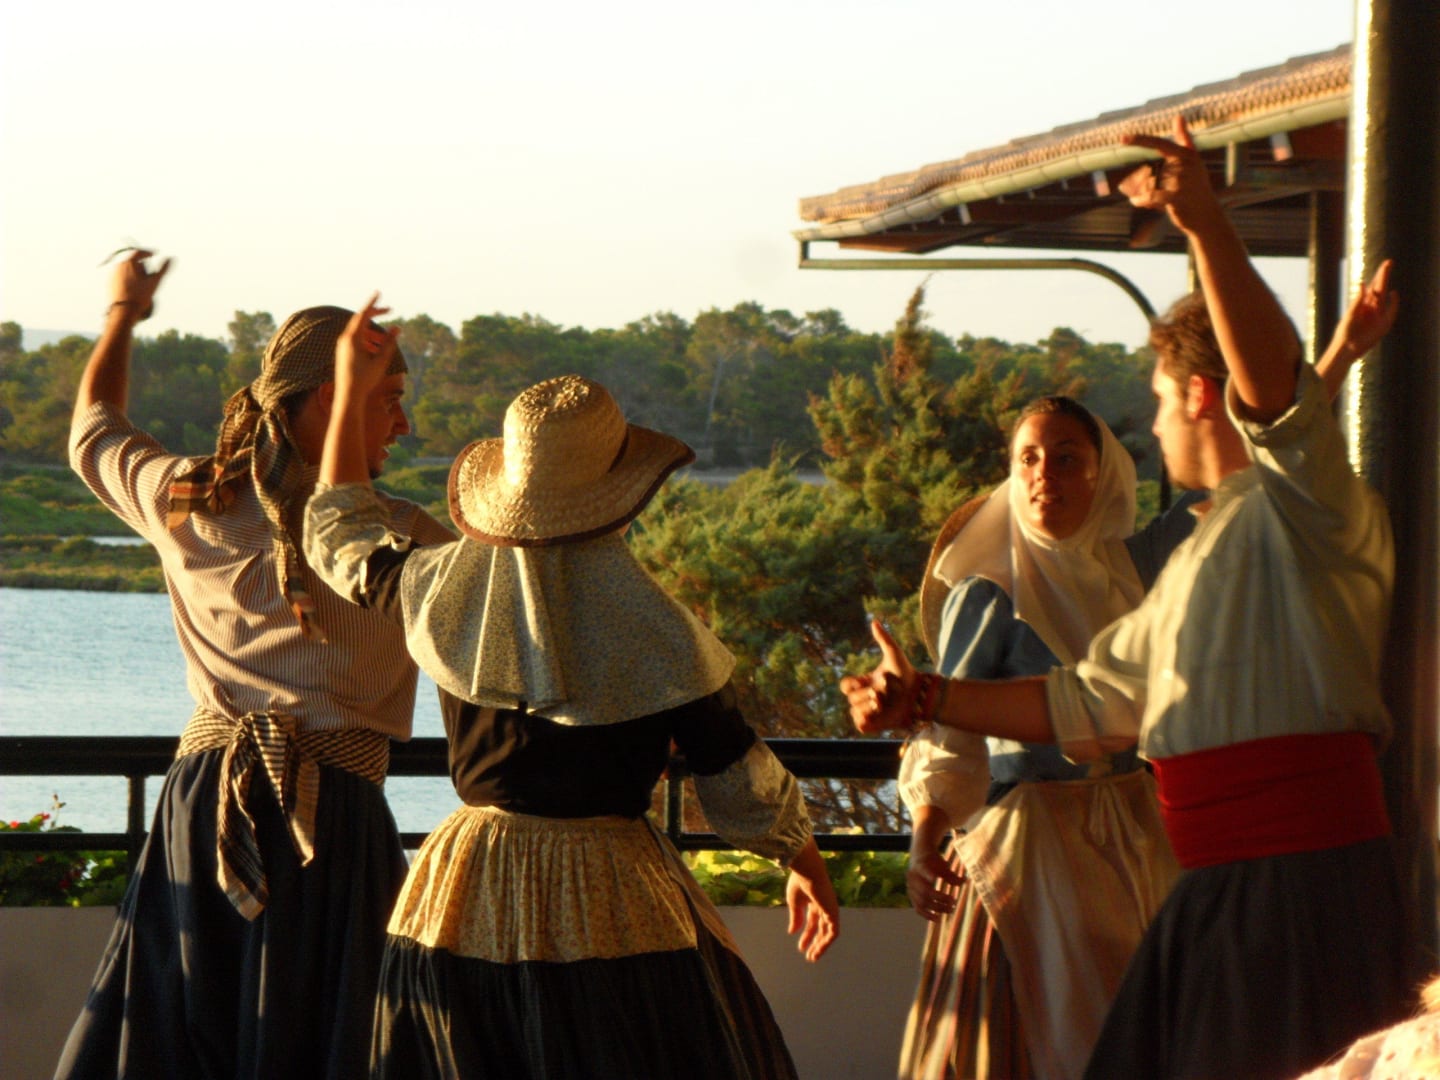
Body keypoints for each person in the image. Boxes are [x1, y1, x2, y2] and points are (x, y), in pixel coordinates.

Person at [842, 115, 1408, 1080]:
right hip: (1215, 886)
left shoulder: (1307, 507)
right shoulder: (1195, 557)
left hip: (1300, 884)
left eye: (1153, 398)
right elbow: (1085, 701)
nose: (1148, 426)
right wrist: (927, 699)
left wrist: (1206, 225)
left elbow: (1280, 397)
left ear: (1198, 396)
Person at [303, 300, 841, 1080]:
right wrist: (803, 860)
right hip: (612, 894)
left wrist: (351, 388)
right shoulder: (658, 631)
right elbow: (734, 773)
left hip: (467, 885)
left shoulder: (438, 589)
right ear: (620, 495)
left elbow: (340, 534)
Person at [57, 253, 455, 1080]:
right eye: (388, 399)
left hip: (201, 805)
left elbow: (93, 426)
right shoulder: (405, 542)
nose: (403, 424)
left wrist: (124, 313)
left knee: (180, 1033)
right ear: (331, 398)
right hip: (330, 820)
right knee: (327, 1042)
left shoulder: (186, 499)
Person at [880, 395, 1194, 1080]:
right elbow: (947, 729)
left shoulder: (1134, 572)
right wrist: (924, 838)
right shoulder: (991, 590)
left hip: (1134, 838)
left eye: (1065, 458)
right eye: (1028, 458)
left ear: (1102, 475)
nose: (1043, 473)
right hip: (1027, 848)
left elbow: (1231, 487)